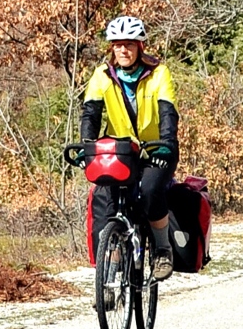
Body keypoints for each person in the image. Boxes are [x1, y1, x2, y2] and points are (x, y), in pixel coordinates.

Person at [78, 15, 192, 278]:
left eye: (129, 44)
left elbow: (167, 113)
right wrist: (87, 147)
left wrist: (166, 145)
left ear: (140, 46)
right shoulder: (102, 75)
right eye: (117, 44)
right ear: (111, 47)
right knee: (106, 202)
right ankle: (109, 276)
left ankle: (163, 249)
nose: (123, 50)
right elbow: (91, 115)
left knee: (152, 190)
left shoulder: (158, 73)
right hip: (120, 152)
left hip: (157, 150)